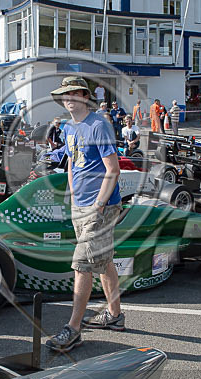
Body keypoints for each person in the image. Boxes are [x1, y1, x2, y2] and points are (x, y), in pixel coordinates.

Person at [46, 76, 123, 353]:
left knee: (82, 264)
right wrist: (72, 198)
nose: (66, 99)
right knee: (103, 261)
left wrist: (99, 205)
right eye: (63, 95)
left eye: (70, 94)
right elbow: (71, 165)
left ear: (83, 95)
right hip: (81, 204)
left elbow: (113, 169)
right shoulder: (69, 127)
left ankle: (74, 328)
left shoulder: (99, 124)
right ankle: (114, 315)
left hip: (99, 206)